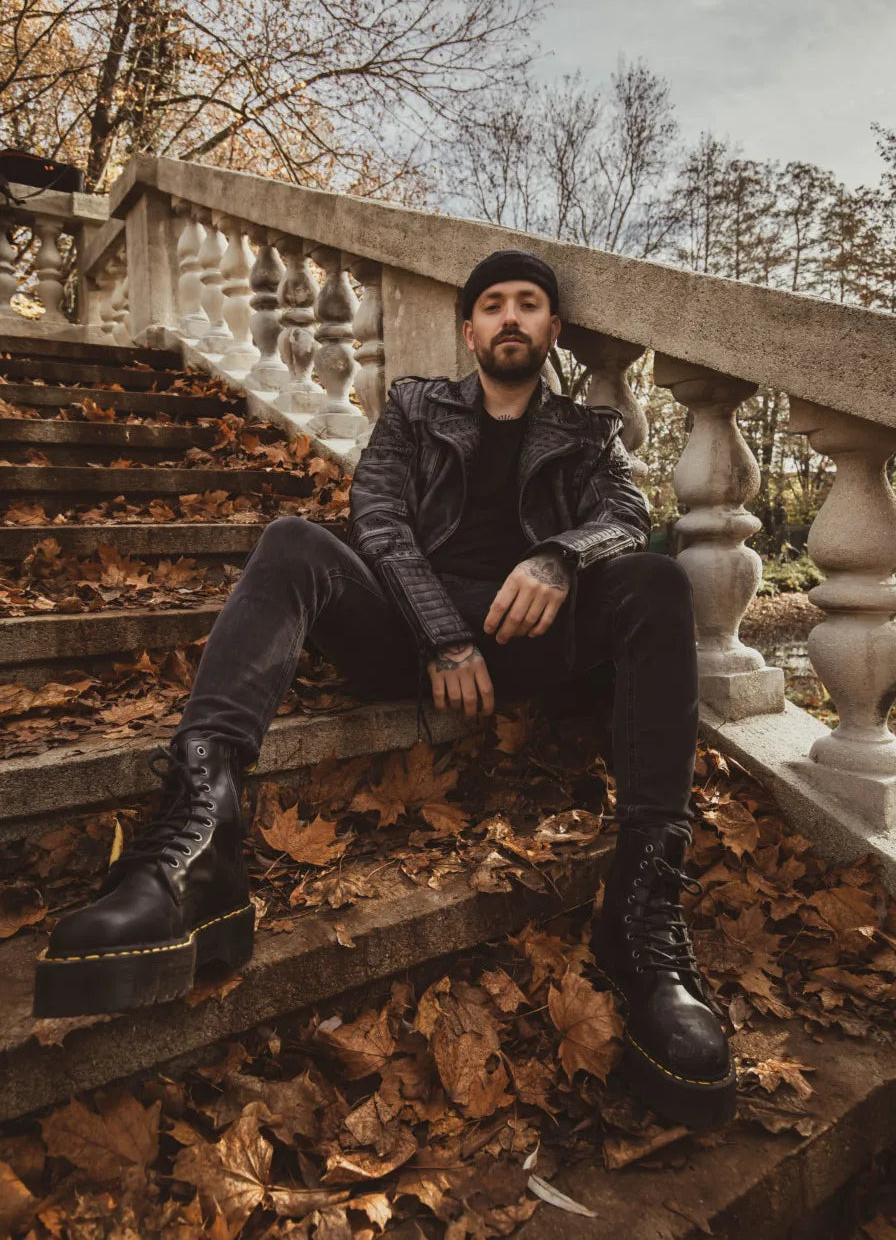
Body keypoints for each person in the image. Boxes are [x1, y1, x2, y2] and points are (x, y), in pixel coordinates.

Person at [33, 249, 734, 1127]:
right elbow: (377, 515)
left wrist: (561, 554)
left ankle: (644, 918)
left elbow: (628, 517)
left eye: (529, 305)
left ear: (553, 330)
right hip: (408, 631)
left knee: (660, 582)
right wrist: (441, 633)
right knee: (294, 540)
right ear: (468, 328)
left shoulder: (589, 432)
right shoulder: (413, 405)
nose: (510, 317)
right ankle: (196, 840)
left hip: (528, 644)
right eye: (492, 304)